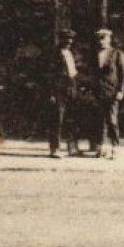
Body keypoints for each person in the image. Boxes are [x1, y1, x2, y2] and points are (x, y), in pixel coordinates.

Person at [91, 28, 124, 160]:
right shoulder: (94, 55)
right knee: (99, 121)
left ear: (109, 39)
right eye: (99, 38)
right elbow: (93, 74)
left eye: (103, 38)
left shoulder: (117, 54)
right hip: (98, 92)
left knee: (112, 120)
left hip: (112, 93)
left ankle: (115, 147)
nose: (101, 41)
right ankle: (101, 147)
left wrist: (121, 91)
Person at [47, 28, 82, 159]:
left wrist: (76, 88)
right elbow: (50, 75)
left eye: (71, 39)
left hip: (71, 89)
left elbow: (74, 72)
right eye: (66, 39)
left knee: (71, 118)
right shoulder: (54, 54)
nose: (69, 41)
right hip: (58, 91)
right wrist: (51, 93)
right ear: (60, 39)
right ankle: (55, 148)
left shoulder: (72, 53)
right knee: (57, 120)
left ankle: (72, 148)